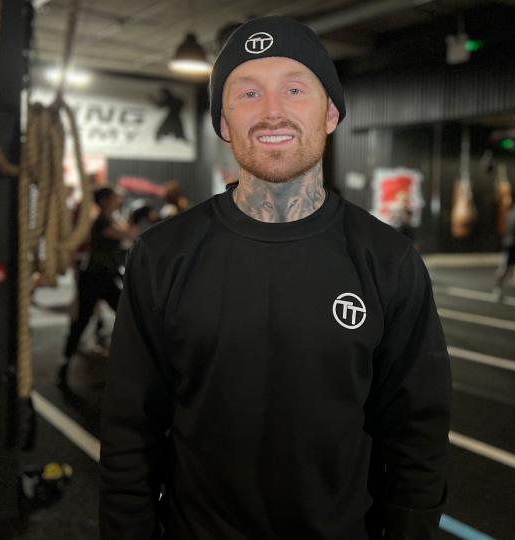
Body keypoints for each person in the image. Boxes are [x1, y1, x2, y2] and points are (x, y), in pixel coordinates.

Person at [100, 16, 450, 540]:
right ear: (223, 122)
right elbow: (130, 430)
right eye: (247, 93)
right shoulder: (163, 255)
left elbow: (416, 434)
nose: (271, 111)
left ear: (331, 112)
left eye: (294, 88)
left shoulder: (388, 260)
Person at [58, 186, 138, 390]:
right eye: (113, 198)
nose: (117, 200)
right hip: (95, 277)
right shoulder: (103, 221)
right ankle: (65, 362)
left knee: (126, 315)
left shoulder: (111, 219)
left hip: (104, 276)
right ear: (104, 201)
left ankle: (130, 362)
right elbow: (127, 234)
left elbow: (128, 235)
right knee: (88, 318)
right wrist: (138, 219)